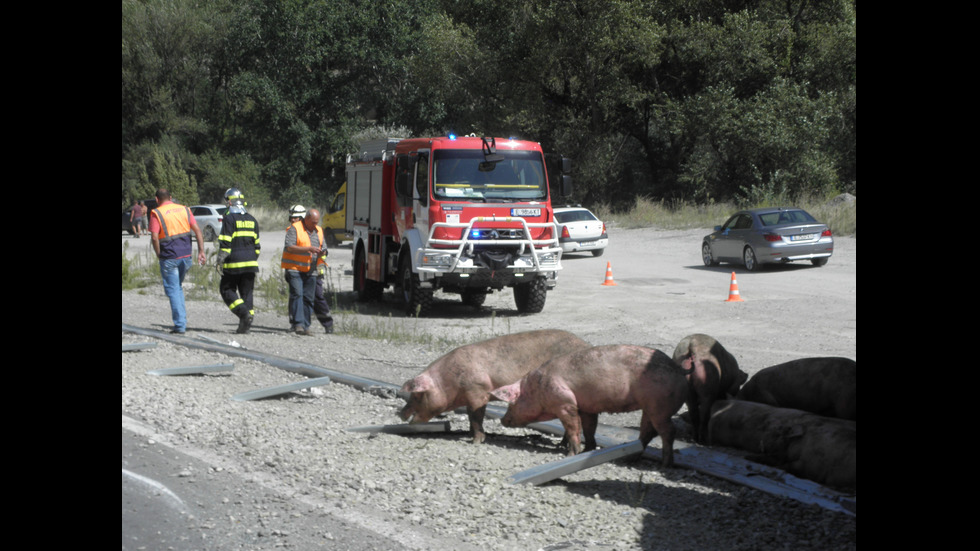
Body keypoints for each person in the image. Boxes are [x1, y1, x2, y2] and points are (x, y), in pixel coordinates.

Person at [148, 188, 207, 334]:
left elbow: (155, 237)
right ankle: (182, 320)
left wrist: (158, 253)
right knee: (177, 287)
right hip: (186, 256)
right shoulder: (184, 209)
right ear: (171, 197)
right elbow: (198, 231)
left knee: (173, 289)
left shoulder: (156, 213)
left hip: (169, 257)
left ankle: (180, 325)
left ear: (157, 199)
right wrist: (201, 251)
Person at [215, 188, 261, 334]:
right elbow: (257, 247)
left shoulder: (229, 219)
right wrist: (250, 260)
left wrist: (219, 261)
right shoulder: (252, 219)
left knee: (226, 289)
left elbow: (226, 244)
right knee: (247, 294)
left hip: (234, 263)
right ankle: (246, 324)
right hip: (251, 263)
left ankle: (243, 314)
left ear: (229, 201)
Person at [287, 205, 334, 334]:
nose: (292, 220)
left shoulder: (318, 230)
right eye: (291, 217)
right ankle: (298, 325)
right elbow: (289, 247)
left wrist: (322, 253)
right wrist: (309, 249)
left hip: (313, 270)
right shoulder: (294, 229)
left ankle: (321, 324)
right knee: (297, 295)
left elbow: (324, 249)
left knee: (313, 297)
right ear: (306, 219)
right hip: (295, 268)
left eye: (295, 217)